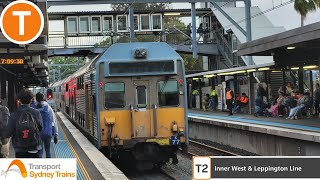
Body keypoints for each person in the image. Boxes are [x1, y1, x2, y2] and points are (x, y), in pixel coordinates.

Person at [2, 89, 43, 158]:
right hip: (34, 147)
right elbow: (40, 128)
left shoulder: (14, 114)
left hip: (19, 149)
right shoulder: (36, 113)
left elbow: (8, 132)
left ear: (19, 101)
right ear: (31, 100)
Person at [33, 93, 58, 158]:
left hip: (38, 133)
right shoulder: (48, 107)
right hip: (48, 132)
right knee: (48, 150)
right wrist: (56, 134)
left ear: (36, 98)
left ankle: (40, 166)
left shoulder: (34, 108)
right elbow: (53, 121)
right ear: (43, 97)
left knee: (40, 152)